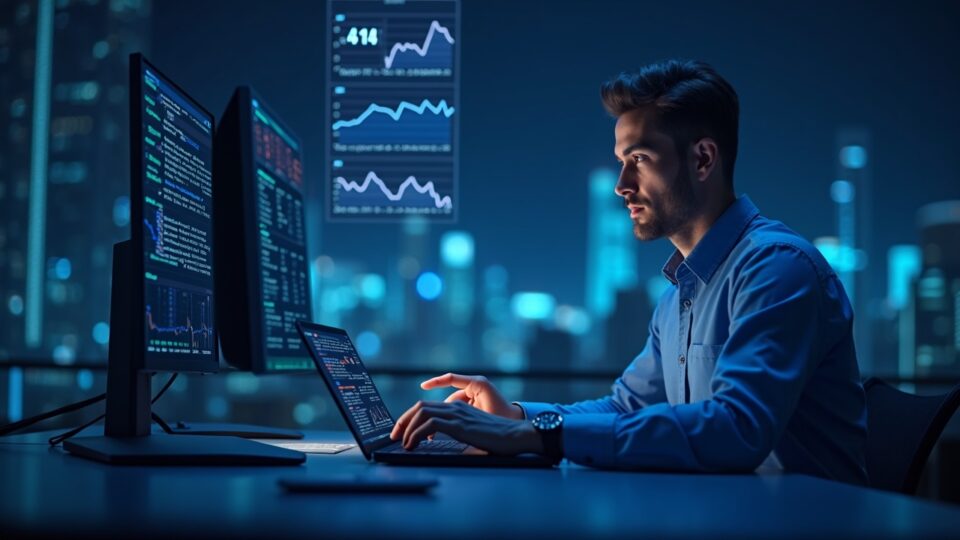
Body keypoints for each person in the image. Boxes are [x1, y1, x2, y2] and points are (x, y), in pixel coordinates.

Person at [390, 59, 868, 485]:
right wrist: (515, 416)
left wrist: (535, 436)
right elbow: (623, 408)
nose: (622, 184)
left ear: (702, 158)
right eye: (622, 162)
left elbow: (735, 429)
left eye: (639, 159)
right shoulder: (679, 294)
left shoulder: (777, 268)